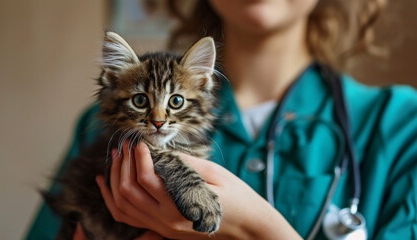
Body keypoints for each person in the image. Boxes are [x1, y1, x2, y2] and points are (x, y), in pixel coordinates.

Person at [26, 0, 417, 239]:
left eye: (173, 103)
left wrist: (258, 232)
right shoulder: (105, 124)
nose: (159, 117)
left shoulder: (400, 122)